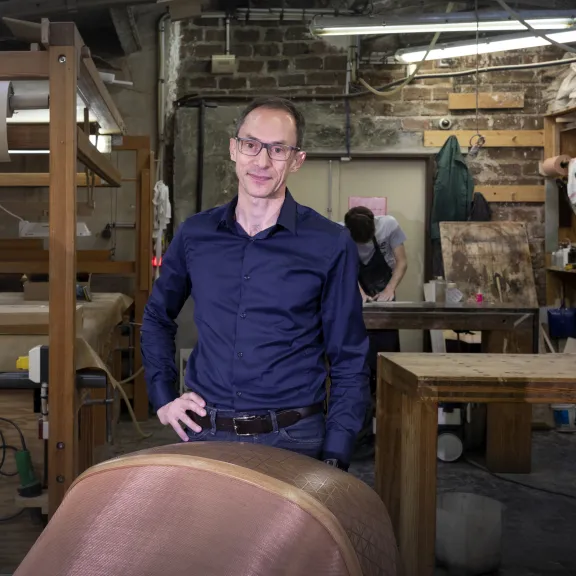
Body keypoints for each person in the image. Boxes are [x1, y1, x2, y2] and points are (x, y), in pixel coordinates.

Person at [141, 97, 370, 471]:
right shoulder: (195, 234)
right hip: (205, 433)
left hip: (294, 440)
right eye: (251, 145)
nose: (262, 161)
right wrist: (163, 397)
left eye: (278, 149)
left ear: (297, 160)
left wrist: (336, 450)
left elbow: (349, 357)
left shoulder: (330, 244)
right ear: (234, 149)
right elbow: (156, 317)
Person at [342, 206, 408, 458]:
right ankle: (362, 440)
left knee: (387, 367)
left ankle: (392, 435)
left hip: (385, 292)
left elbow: (401, 262)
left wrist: (390, 289)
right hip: (358, 297)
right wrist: (359, 294)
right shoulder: (341, 233)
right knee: (359, 370)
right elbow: (346, 269)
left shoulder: (388, 225)